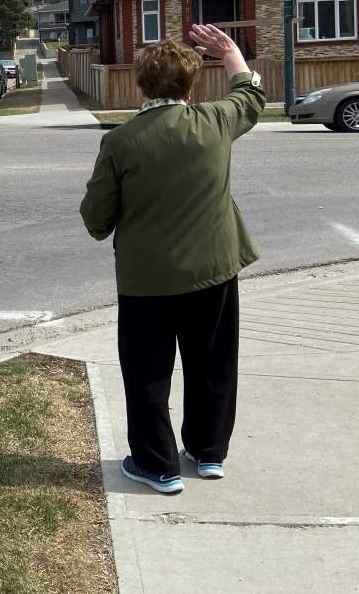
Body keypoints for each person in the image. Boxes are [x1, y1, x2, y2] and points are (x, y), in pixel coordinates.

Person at [80, 25, 265, 494]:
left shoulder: (120, 142)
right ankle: (208, 453)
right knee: (213, 365)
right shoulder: (216, 122)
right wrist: (231, 52)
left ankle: (157, 464)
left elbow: (96, 220)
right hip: (214, 272)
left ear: (141, 85)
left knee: (147, 375)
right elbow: (250, 94)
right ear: (191, 85)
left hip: (147, 282)